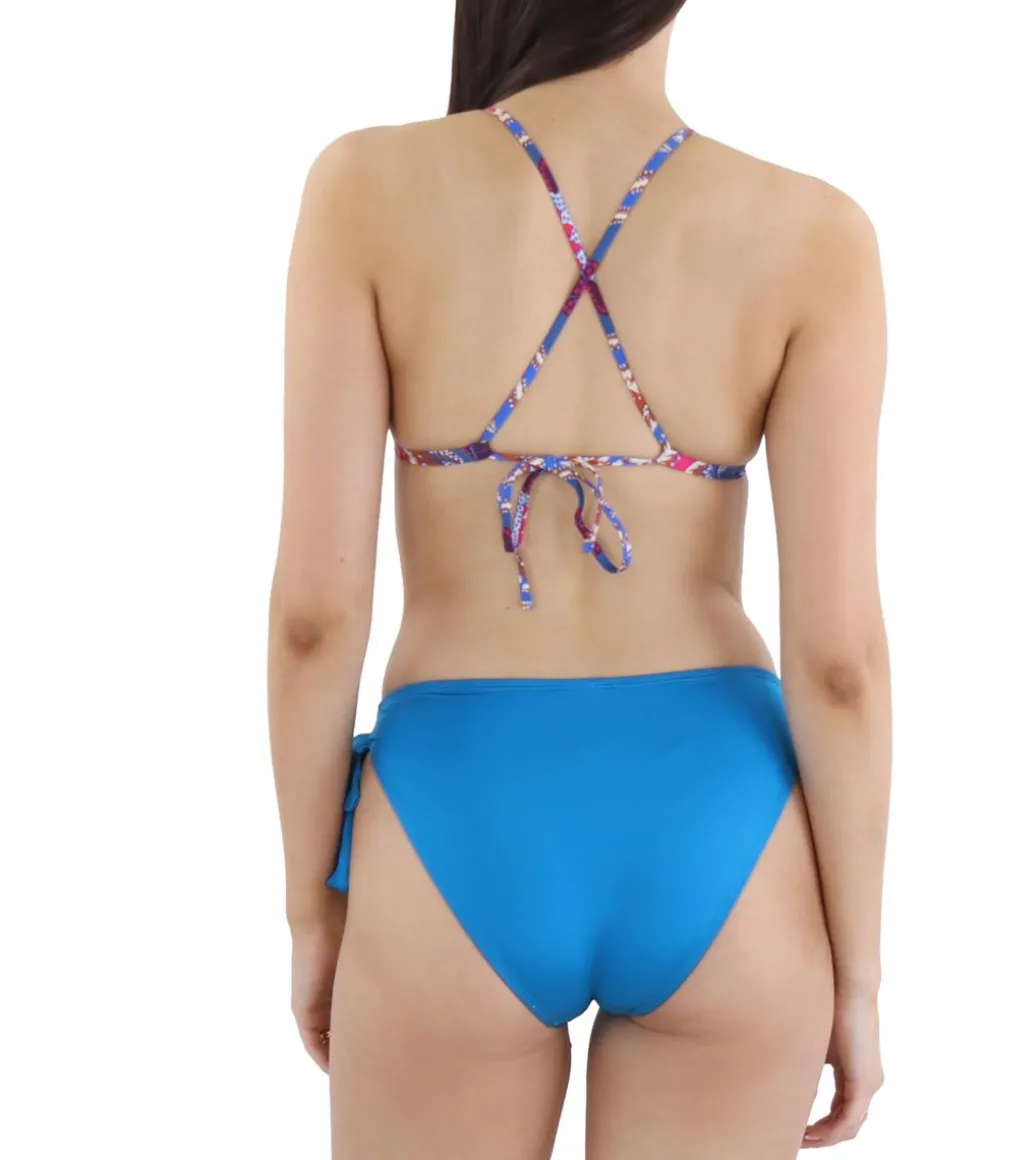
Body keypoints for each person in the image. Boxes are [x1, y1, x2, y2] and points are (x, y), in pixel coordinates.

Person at [267, 1, 891, 1155]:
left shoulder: (364, 188)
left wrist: (312, 904)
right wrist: (854, 972)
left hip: (456, 804)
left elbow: (314, 616)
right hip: (720, 823)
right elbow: (838, 662)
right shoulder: (814, 232)